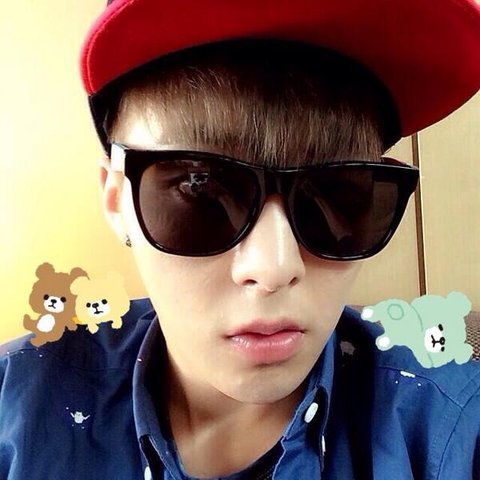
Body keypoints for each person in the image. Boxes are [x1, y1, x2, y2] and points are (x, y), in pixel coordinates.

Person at [1, 1, 480, 479]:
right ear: (116, 200)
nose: (274, 268)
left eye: (340, 193)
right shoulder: (17, 408)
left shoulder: (450, 425)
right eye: (199, 190)